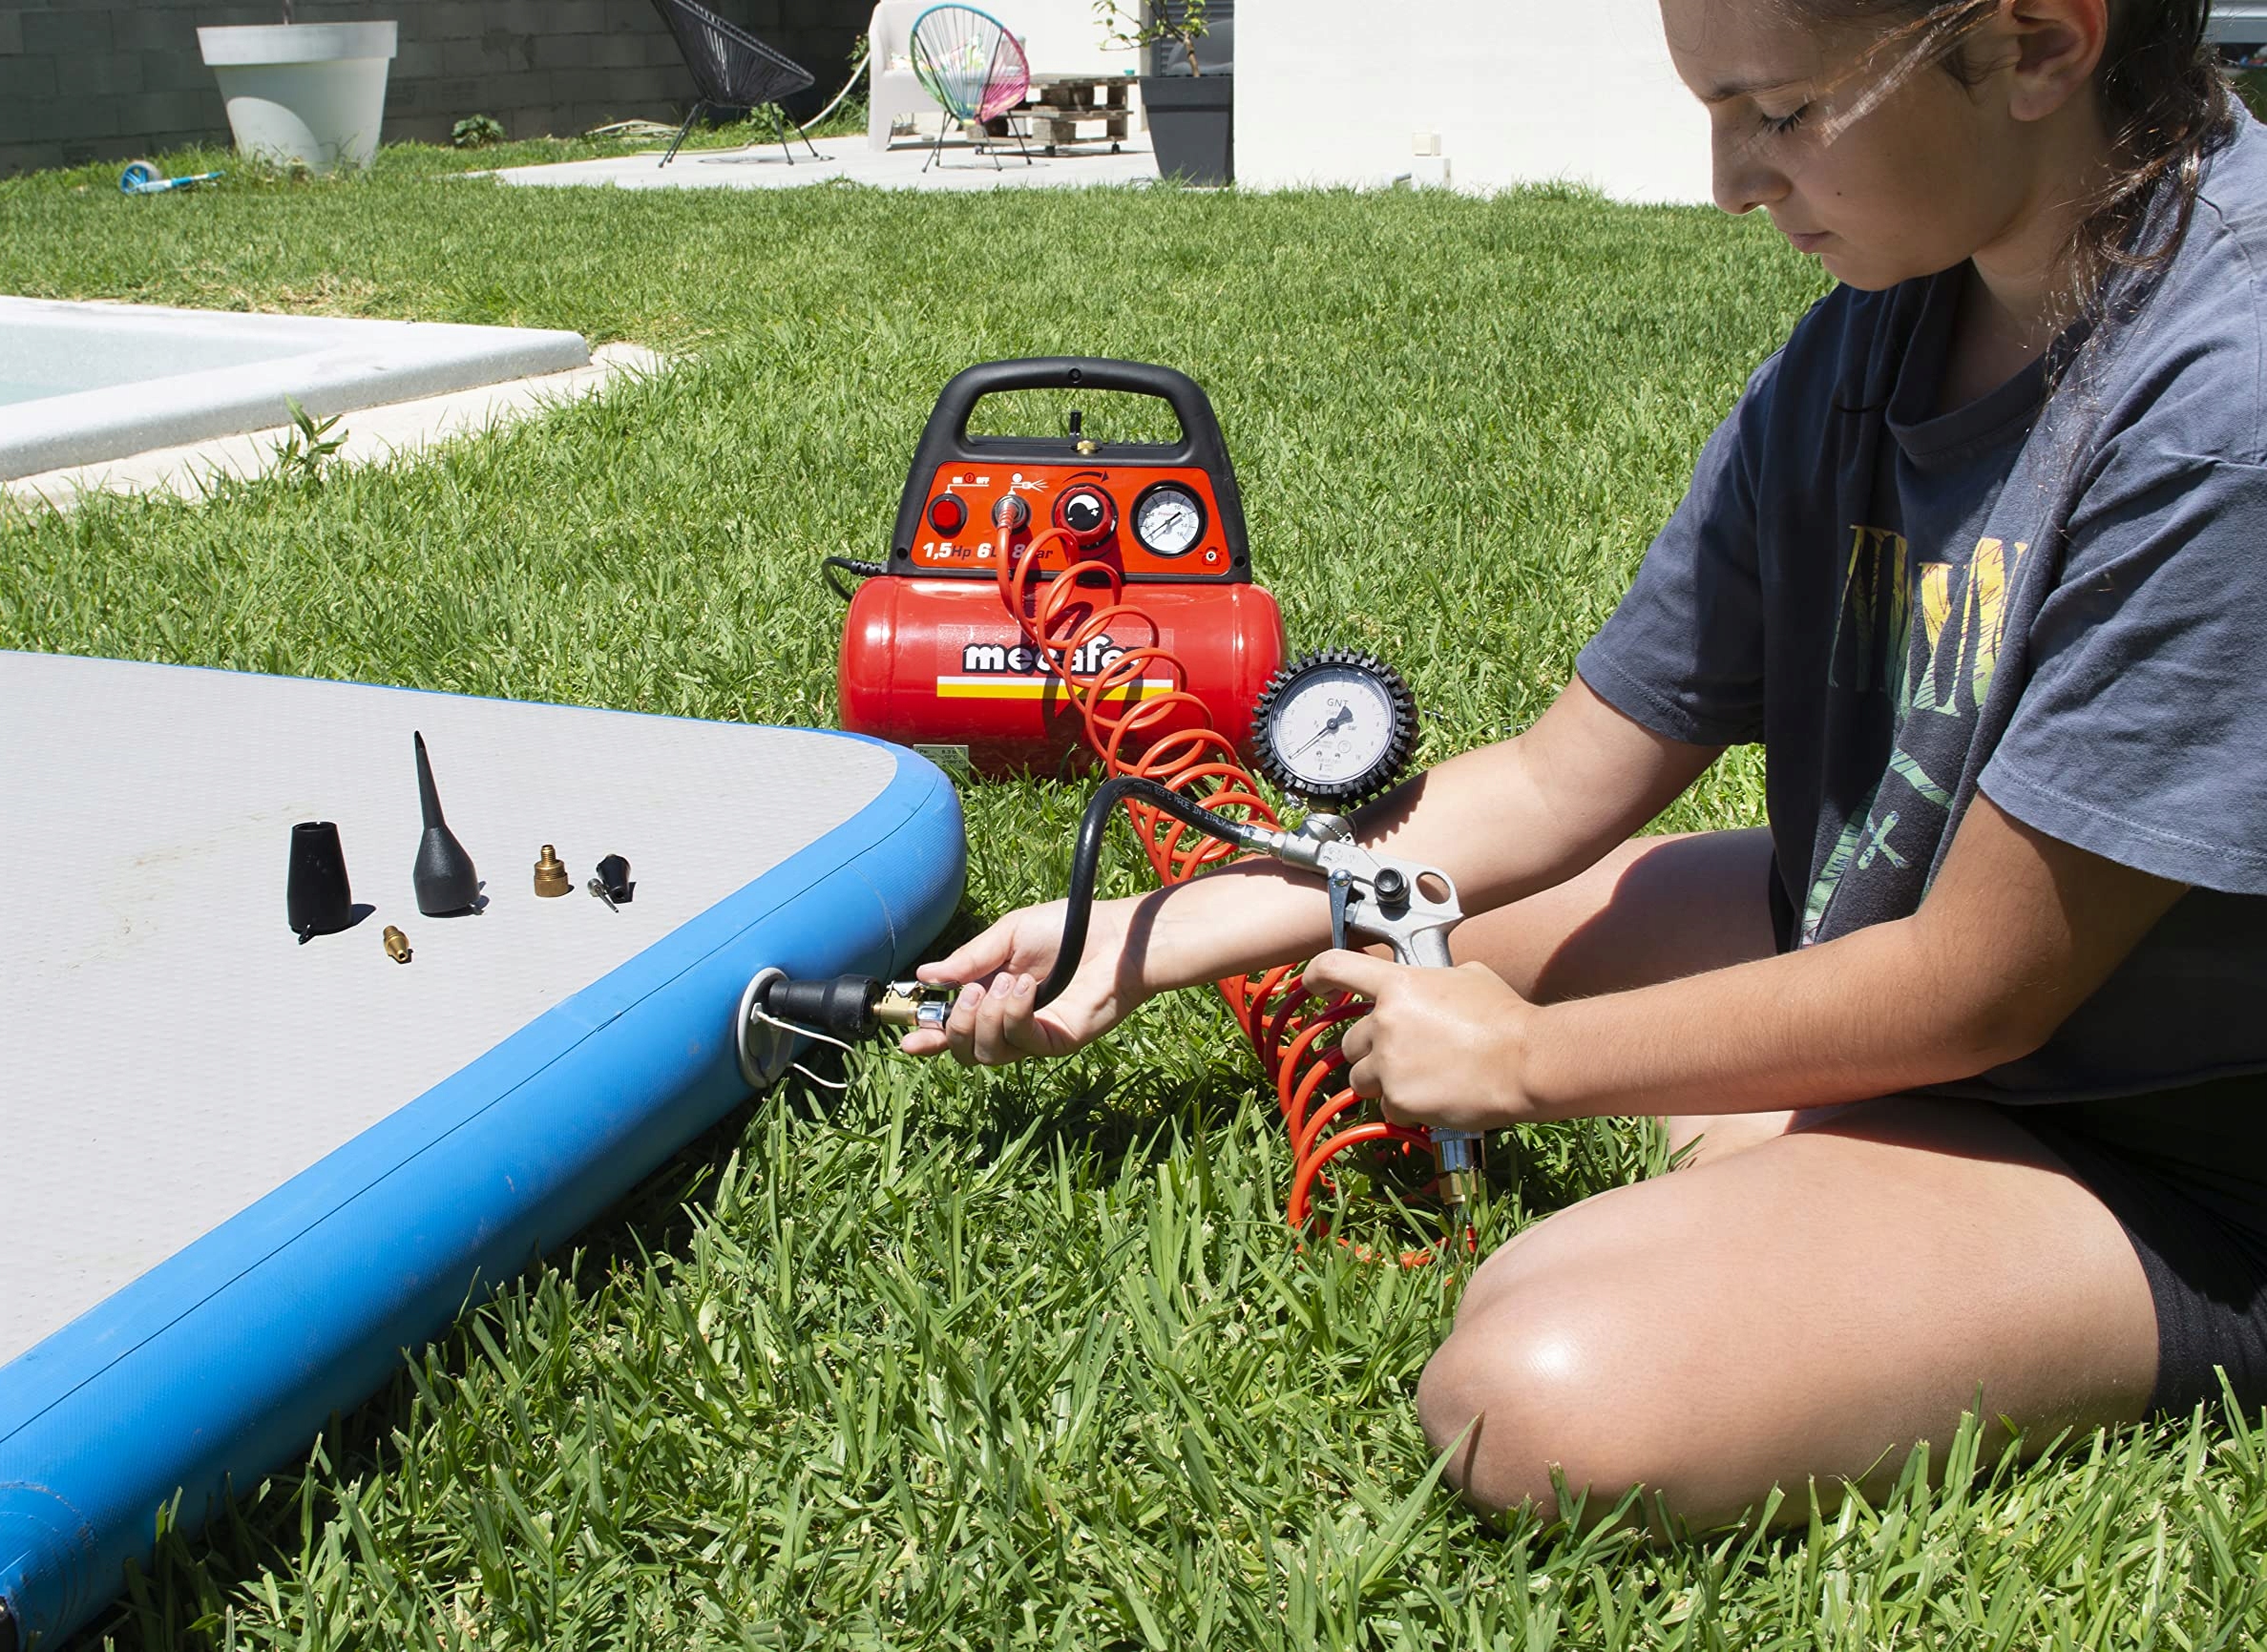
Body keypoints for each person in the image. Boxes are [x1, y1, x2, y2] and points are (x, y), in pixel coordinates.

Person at [902, 0, 2267, 1530]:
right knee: (1385, 941)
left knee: (1538, 1396)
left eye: (1782, 114)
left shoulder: (2227, 406)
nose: (1729, 184)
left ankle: (1851, 1186)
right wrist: (1155, 933)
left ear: (2039, 43)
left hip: (2159, 1150)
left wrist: (1524, 1064)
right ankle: (1803, 1154)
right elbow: (1564, 782)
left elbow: (1977, 990)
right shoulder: (1887, 321)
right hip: (1870, 933)